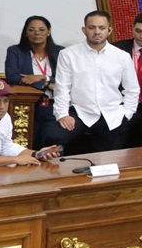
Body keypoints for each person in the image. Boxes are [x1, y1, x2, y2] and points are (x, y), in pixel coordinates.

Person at [46, 11, 139, 153]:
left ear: (109, 30)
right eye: (92, 27)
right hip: (79, 112)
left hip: (112, 113)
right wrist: (62, 114)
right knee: (53, 135)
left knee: (109, 158)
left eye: (101, 28)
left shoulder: (121, 56)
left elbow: (132, 89)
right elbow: (62, 88)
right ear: (84, 30)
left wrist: (127, 113)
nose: (97, 32)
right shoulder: (68, 54)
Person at [4, 16, 64, 149]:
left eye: (41, 29)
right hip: (27, 104)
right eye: (32, 29)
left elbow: (66, 79)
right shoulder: (15, 51)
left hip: (54, 104)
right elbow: (12, 76)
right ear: (26, 32)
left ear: (48, 32)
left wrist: (43, 78)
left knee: (52, 138)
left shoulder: (61, 52)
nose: (37, 33)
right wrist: (44, 84)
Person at [112, 13, 142, 148]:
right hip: (123, 103)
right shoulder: (116, 50)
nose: (141, 36)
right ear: (132, 29)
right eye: (138, 31)